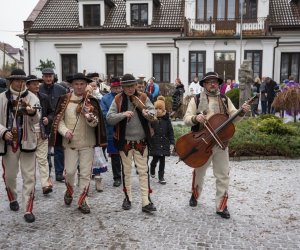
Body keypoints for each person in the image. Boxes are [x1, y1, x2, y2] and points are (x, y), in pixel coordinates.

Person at [184, 72, 250, 219]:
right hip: (202, 143)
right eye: (209, 82)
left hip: (221, 143)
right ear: (204, 84)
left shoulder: (225, 100)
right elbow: (186, 119)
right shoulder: (196, 99)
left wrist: (242, 112)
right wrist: (196, 118)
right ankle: (195, 195)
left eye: (215, 82)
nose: (213, 84)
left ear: (218, 84)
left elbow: (234, 117)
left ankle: (221, 206)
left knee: (223, 175)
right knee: (199, 172)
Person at [49, 73, 107, 213]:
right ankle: (69, 191)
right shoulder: (64, 100)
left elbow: (96, 124)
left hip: (88, 143)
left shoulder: (91, 101)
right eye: (76, 84)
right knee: (69, 172)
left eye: (82, 84)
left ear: (86, 85)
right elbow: (59, 120)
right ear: (72, 85)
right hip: (70, 143)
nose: (79, 87)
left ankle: (82, 201)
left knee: (86, 174)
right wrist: (65, 131)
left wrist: (89, 117)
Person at [106, 73, 157, 213]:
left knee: (143, 171)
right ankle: (127, 197)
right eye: (126, 86)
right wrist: (122, 114)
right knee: (126, 171)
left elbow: (153, 112)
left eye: (132, 86)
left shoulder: (143, 97)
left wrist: (148, 114)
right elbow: (109, 118)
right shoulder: (117, 99)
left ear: (136, 85)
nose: (129, 89)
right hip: (125, 141)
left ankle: (146, 201)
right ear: (122, 87)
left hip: (141, 141)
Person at [0, 69, 41, 223]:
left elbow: (37, 119)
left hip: (27, 141)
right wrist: (3, 132)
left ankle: (28, 209)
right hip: (9, 143)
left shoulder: (32, 98)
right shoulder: (2, 98)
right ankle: (12, 197)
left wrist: (31, 113)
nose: (20, 83)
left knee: (29, 176)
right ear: (11, 81)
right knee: (10, 176)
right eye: (16, 80)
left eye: (22, 80)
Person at [26, 75, 54, 195]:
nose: (37, 85)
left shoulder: (44, 97)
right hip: (28, 135)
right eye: (34, 84)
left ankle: (45, 185)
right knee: (30, 163)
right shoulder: (23, 99)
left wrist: (48, 118)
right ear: (28, 85)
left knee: (43, 160)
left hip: (42, 133)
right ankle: (30, 186)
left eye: (38, 83)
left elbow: (52, 112)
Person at [40, 68, 67, 182]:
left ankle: (59, 173)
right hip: (43, 123)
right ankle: (47, 174)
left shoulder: (61, 89)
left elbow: (65, 105)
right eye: (46, 76)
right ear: (43, 77)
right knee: (45, 150)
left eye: (50, 76)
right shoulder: (38, 89)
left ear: (53, 76)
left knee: (59, 149)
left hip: (58, 122)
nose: (48, 78)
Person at [100, 77, 123, 187]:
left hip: (124, 130)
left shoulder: (125, 97)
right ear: (111, 87)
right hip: (111, 130)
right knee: (114, 156)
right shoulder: (105, 99)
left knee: (125, 155)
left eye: (119, 87)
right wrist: (117, 117)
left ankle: (126, 176)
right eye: (115, 87)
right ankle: (117, 177)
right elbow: (104, 113)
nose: (117, 89)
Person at [149, 96, 174, 184]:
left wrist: (172, 143)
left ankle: (161, 177)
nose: (158, 110)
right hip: (155, 143)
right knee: (155, 159)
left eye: (160, 108)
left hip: (164, 143)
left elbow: (170, 132)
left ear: (163, 110)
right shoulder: (152, 120)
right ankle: (152, 167)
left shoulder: (167, 120)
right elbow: (149, 131)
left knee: (162, 161)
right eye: (156, 108)